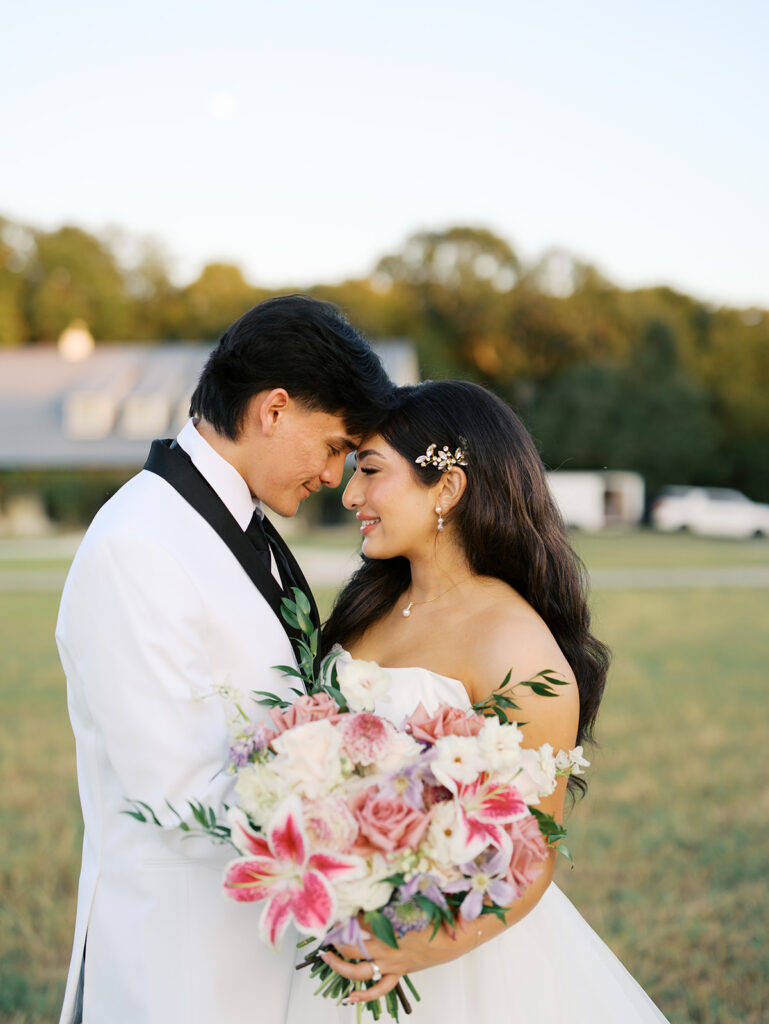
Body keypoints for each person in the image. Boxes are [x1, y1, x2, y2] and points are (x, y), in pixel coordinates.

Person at [56, 294, 395, 1024]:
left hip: (252, 943)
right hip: (177, 962)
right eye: (334, 445)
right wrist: (372, 832)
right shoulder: (136, 545)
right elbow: (176, 783)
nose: (336, 476)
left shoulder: (239, 521)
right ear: (273, 409)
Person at [287, 379, 669, 1022]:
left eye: (371, 471)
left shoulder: (517, 649)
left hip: (446, 966)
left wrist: (415, 950)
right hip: (337, 922)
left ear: (448, 488)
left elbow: (531, 858)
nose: (350, 494)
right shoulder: (370, 602)